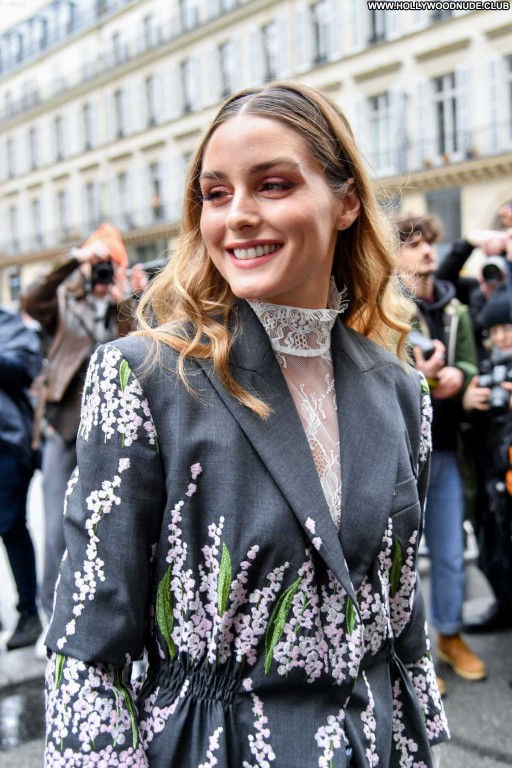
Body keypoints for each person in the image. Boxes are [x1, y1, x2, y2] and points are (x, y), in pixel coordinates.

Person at [43, 82, 448, 768]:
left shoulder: (402, 389)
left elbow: (401, 624)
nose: (237, 216)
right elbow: (89, 646)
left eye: (273, 185)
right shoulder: (144, 377)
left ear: (347, 202)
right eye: (216, 193)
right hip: (209, 747)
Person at [21, 224, 143, 638]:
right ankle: (51, 614)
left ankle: (96, 614)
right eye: (99, 263)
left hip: (109, 431)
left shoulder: (121, 304)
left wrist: (126, 299)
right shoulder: (62, 300)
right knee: (56, 526)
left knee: (110, 524)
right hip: (63, 426)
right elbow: (32, 298)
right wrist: (74, 259)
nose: (102, 271)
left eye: (110, 263)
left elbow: (141, 346)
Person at [394, 214, 486, 686]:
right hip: (398, 453)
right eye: (413, 243)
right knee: (400, 560)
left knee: (450, 553)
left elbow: (470, 361)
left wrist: (460, 377)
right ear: (394, 255)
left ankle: (450, 635)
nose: (427, 250)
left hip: (446, 449)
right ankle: (410, 654)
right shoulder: (383, 308)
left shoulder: (456, 311)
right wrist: (422, 376)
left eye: (429, 242)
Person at [461, 285, 512, 633]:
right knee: (492, 548)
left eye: (507, 328)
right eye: (494, 331)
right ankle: (505, 606)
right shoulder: (487, 367)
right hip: (490, 476)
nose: (501, 337)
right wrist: (469, 403)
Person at [0, 307, 42, 650]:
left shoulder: (7, 322)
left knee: (11, 525)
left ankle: (29, 613)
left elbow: (26, 370)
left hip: (7, 443)